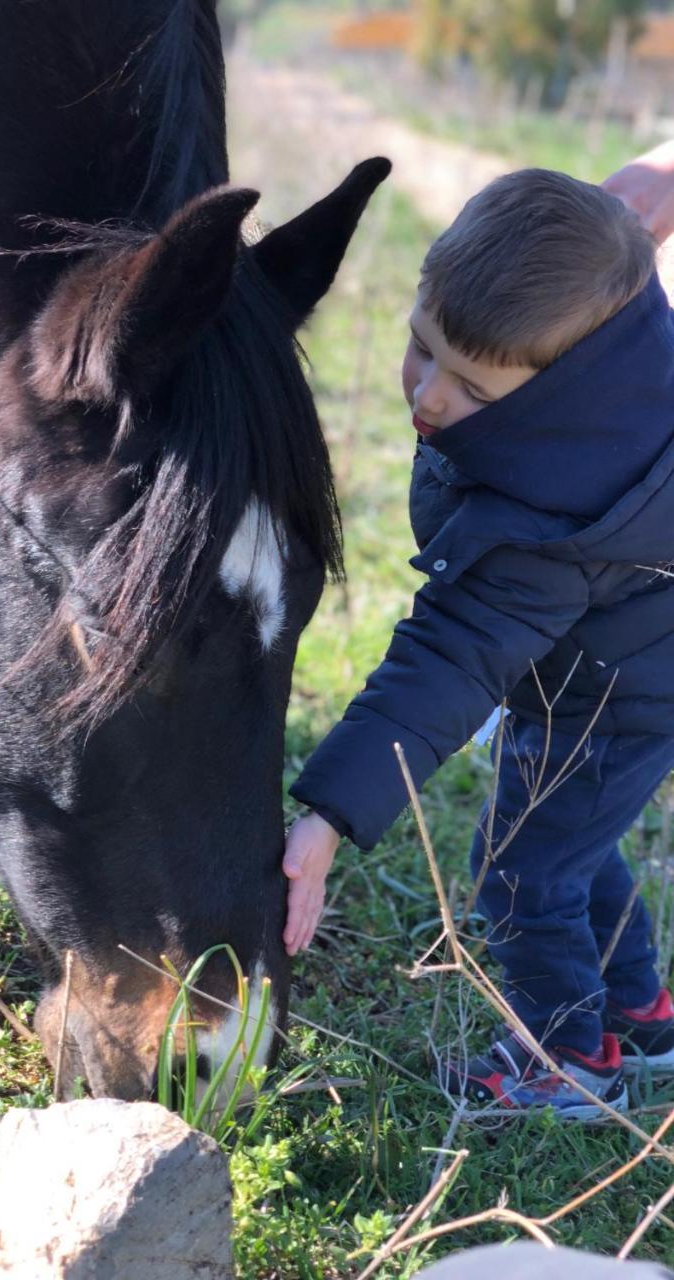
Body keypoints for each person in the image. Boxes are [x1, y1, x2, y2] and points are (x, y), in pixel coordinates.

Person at [282, 158, 674, 1116]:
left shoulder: (552, 518)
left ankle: (568, 1058)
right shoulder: (609, 374)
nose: (431, 397)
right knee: (573, 842)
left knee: (520, 866)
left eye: (475, 391)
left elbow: (449, 661)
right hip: (609, 672)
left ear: (561, 390)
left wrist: (329, 815)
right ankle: (645, 1010)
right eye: (422, 349)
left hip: (618, 699)